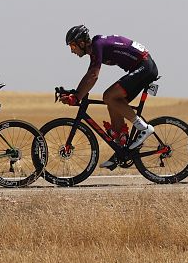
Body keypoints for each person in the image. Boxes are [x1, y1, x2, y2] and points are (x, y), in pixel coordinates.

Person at [62, 25, 158, 169]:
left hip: (145, 66)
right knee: (113, 103)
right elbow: (90, 74)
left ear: (82, 43)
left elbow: (93, 75)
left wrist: (77, 97)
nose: (72, 50)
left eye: (73, 46)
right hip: (140, 67)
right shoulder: (95, 49)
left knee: (108, 96)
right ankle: (121, 151)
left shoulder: (97, 45)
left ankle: (143, 128)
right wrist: (76, 93)